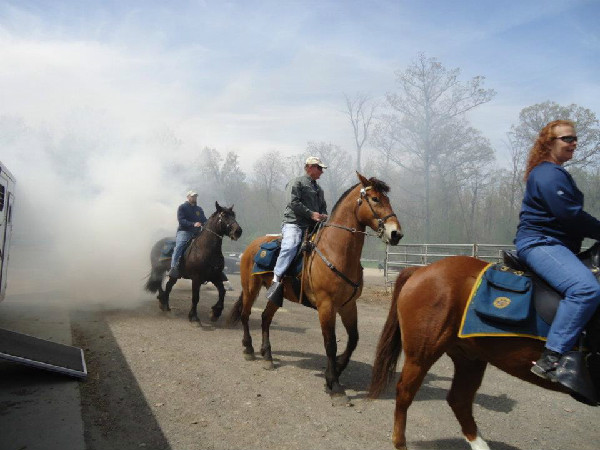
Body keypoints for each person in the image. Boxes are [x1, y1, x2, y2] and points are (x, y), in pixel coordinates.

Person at [514, 120, 600, 381]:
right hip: (541, 243)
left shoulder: (555, 172)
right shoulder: (548, 174)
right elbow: (569, 215)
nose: (574, 143)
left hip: (556, 244)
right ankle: (552, 356)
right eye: (567, 139)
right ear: (549, 143)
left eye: (575, 139)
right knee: (585, 289)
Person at [265, 156, 329, 305]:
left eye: (322, 169)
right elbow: (293, 202)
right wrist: (311, 214)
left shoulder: (319, 189)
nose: (321, 171)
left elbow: (323, 206)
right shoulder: (297, 182)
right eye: (319, 168)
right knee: (291, 245)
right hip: (294, 223)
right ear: (309, 167)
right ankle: (276, 279)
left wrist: (323, 214)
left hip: (313, 226)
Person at [168, 190, 207, 278]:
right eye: (192, 196)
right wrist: (193, 224)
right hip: (184, 232)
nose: (194, 198)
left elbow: (204, 220)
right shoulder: (182, 207)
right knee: (180, 246)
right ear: (188, 197)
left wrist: (209, 224)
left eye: (195, 196)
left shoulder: (199, 209)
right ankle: (173, 268)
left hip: (197, 233)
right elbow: (181, 220)